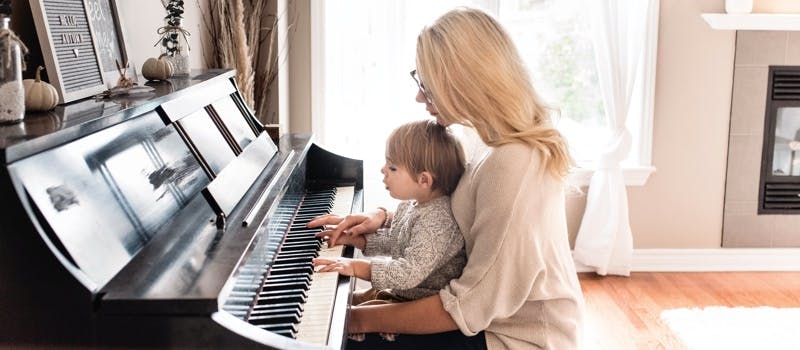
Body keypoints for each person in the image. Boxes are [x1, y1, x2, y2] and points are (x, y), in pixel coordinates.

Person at [309, 7, 584, 350]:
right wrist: (380, 222)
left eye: (428, 85)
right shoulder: (476, 136)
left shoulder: (513, 163)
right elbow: (452, 221)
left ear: (465, 81)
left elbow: (467, 306)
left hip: (511, 336)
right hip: (476, 314)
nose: (420, 97)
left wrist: (349, 319)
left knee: (338, 339)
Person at [312, 119, 467, 342]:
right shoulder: (415, 203)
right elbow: (398, 240)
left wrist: (357, 267)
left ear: (423, 180)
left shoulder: (438, 220)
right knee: (332, 302)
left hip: (416, 305)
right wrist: (357, 241)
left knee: (338, 320)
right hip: (405, 294)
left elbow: (409, 273)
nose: (383, 170)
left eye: (392, 167)